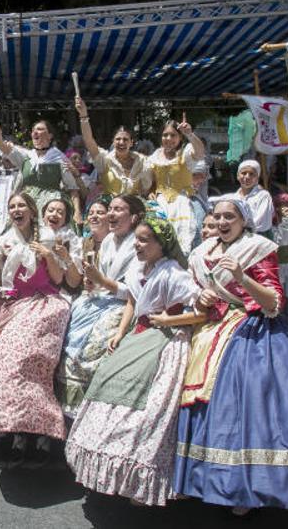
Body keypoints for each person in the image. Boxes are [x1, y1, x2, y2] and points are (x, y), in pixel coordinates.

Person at [175, 197, 288, 513]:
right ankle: (201, 477)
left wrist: (241, 276)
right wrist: (202, 298)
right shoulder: (201, 252)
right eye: (218, 216)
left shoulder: (259, 247)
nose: (222, 222)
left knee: (242, 400)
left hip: (251, 328)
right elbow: (194, 293)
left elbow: (274, 302)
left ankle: (245, 484)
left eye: (229, 217)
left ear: (244, 220)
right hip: (210, 326)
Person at [65, 216, 199, 505]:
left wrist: (169, 319)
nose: (137, 245)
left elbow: (201, 308)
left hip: (165, 339)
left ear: (161, 244)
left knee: (150, 408)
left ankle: (138, 479)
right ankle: (112, 475)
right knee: (107, 386)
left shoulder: (173, 272)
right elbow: (131, 298)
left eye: (143, 240)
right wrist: (121, 332)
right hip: (139, 335)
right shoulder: (140, 267)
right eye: (136, 239)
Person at [0, 193, 71, 462]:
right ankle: (11, 427)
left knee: (24, 360)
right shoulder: (3, 242)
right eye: (11, 206)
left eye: (21, 206)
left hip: (44, 305)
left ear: (31, 211)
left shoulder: (48, 238)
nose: (16, 210)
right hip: (13, 307)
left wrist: (48, 254)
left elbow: (58, 278)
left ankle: (37, 430)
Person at [58, 196, 142, 418]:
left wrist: (102, 282)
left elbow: (133, 292)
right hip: (99, 299)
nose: (112, 214)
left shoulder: (138, 244)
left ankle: (91, 412)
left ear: (133, 217)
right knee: (66, 332)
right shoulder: (108, 241)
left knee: (95, 344)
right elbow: (102, 279)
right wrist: (94, 281)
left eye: (118, 210)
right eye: (111, 209)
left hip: (124, 305)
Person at [0, 99, 83, 224]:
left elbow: (72, 188)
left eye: (40, 129)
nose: (35, 132)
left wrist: (77, 213)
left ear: (50, 135)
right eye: (33, 130)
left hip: (49, 211)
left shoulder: (59, 158)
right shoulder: (25, 156)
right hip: (26, 209)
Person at [144, 116, 207, 254]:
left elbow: (200, 152)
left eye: (173, 135)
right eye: (165, 135)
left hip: (185, 200)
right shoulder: (155, 156)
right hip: (160, 203)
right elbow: (150, 182)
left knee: (195, 228)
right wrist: (151, 191)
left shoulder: (186, 152)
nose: (168, 138)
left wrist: (189, 133)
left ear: (180, 137)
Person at [75, 98, 148, 200]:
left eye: (125, 139)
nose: (121, 142)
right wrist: (83, 115)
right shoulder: (105, 160)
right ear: (113, 142)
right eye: (118, 139)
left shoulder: (141, 161)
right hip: (109, 207)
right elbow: (89, 141)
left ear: (131, 143)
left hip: (132, 208)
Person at [234, 160, 274, 234]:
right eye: (243, 173)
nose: (247, 176)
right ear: (238, 176)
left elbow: (260, 219)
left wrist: (241, 228)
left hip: (259, 236)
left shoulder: (263, 196)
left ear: (257, 178)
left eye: (252, 174)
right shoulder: (234, 197)